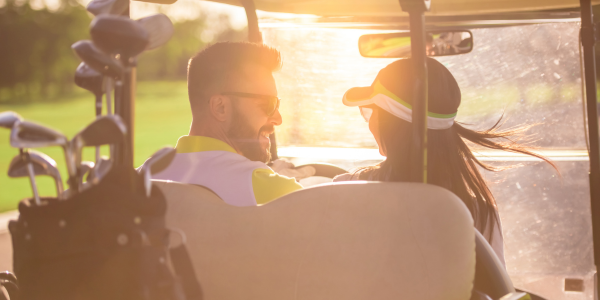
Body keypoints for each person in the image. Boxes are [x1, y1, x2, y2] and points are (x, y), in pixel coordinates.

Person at [333, 57, 557, 265]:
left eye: (371, 113)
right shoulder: (479, 213)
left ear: (388, 126)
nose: (370, 124)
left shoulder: (341, 193)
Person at [150, 42, 314, 206]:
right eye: (268, 104)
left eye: (277, 105)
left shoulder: (141, 178)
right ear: (220, 107)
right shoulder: (276, 191)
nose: (278, 119)